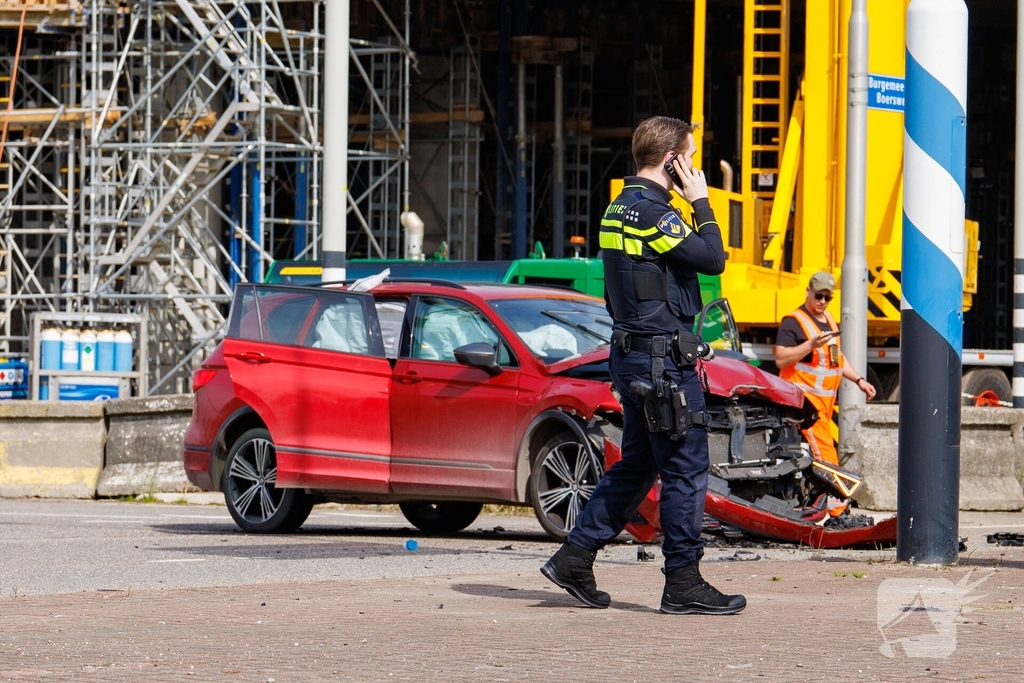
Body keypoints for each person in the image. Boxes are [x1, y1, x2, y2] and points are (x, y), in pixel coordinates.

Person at [540, 116, 745, 615]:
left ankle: (575, 556)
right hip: (663, 366)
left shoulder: (617, 209)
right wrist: (700, 201)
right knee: (685, 469)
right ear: (672, 160)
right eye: (690, 158)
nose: (694, 166)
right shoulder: (658, 214)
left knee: (637, 464)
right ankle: (683, 582)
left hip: (633, 359)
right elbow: (713, 259)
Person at [773, 271, 876, 466]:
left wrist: (859, 381)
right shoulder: (793, 322)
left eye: (827, 297)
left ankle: (821, 495)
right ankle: (835, 496)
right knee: (827, 460)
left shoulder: (828, 319)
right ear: (807, 291)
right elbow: (780, 359)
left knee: (815, 460)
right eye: (818, 296)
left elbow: (836, 359)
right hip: (805, 404)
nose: (822, 301)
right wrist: (810, 345)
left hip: (823, 407)